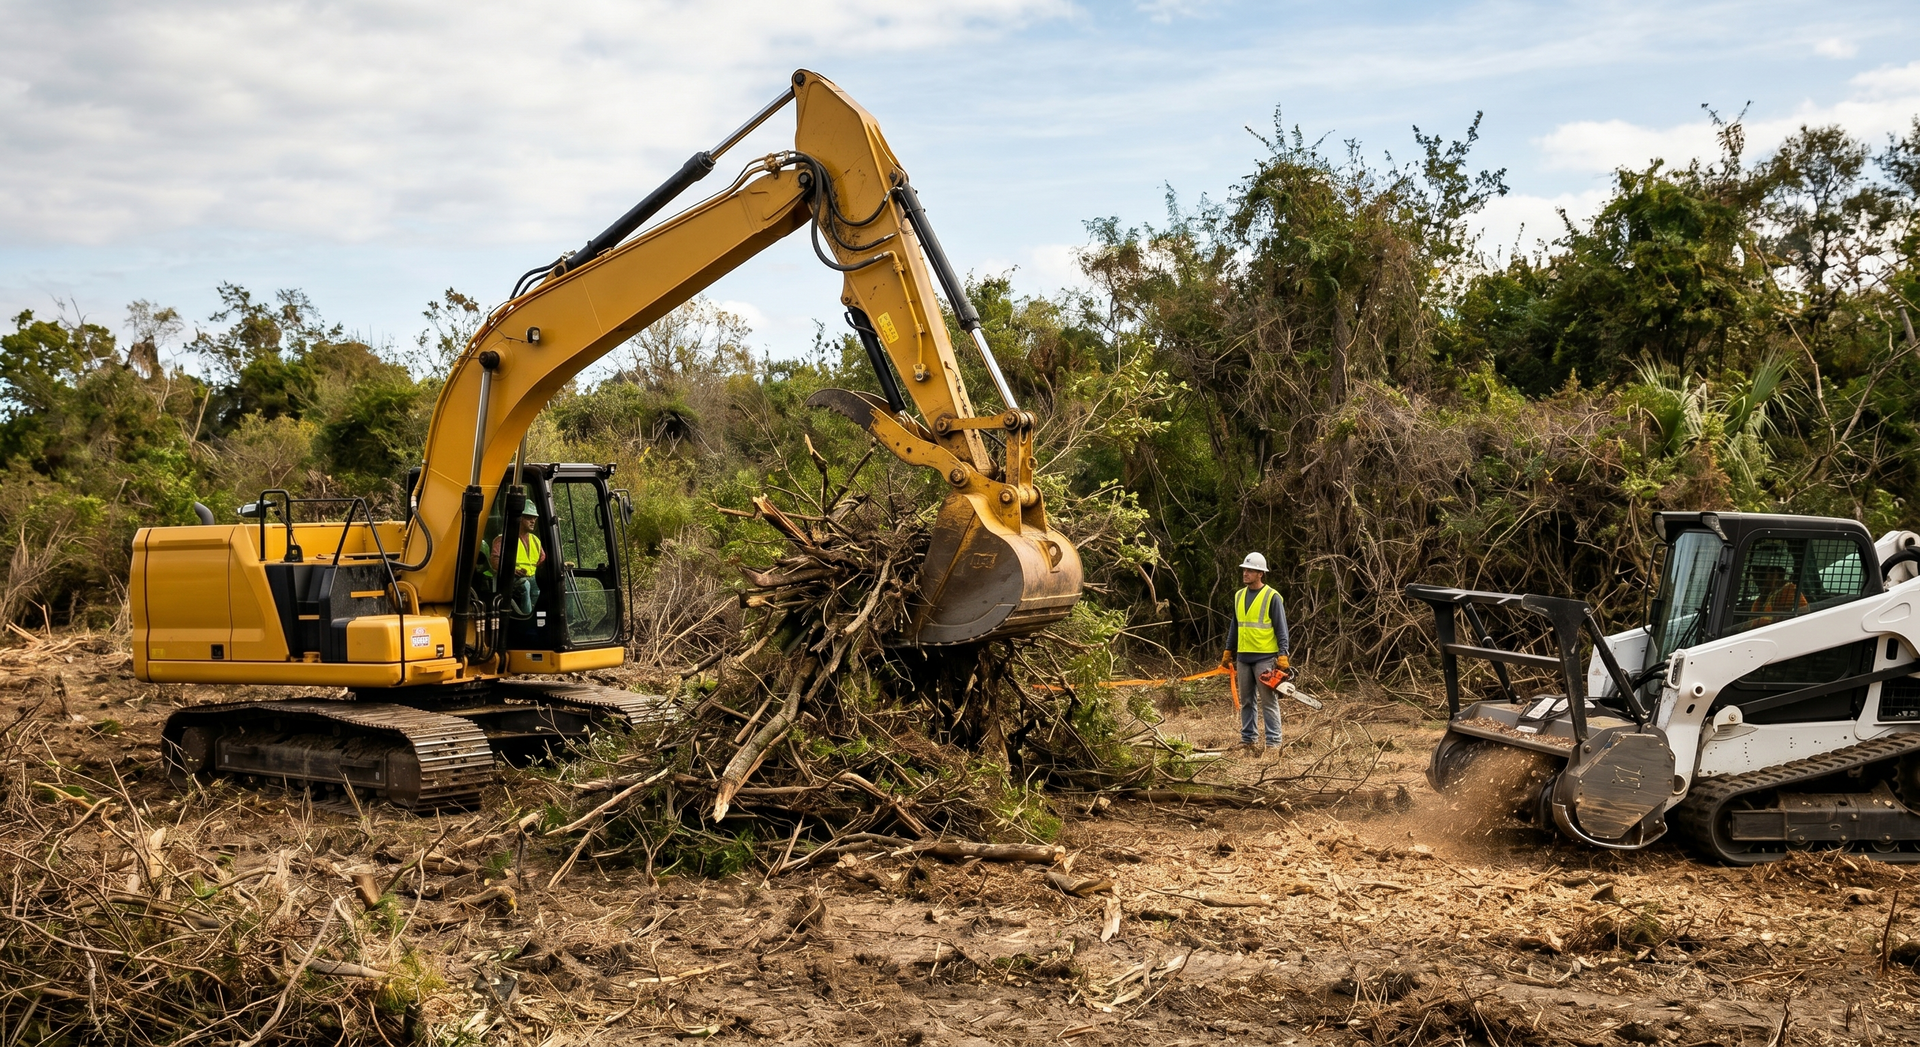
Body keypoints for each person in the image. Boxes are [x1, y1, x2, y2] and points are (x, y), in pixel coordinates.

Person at [1222, 551, 1290, 750]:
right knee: (1246, 702)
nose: (1245, 573)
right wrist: (1228, 650)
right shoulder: (1239, 596)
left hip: (1265, 658)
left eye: (1250, 570)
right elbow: (1235, 626)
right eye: (1245, 569)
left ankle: (1274, 744)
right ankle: (1248, 740)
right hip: (1243, 657)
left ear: (1261, 573)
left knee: (1268, 702)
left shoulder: (1272, 596)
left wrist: (1283, 655)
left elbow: (1281, 628)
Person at [490, 500, 546, 617]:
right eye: (529, 517)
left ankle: (540, 617)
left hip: (533, 577)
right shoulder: (503, 539)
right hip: (512, 580)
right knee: (525, 585)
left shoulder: (535, 540)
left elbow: (543, 561)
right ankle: (526, 618)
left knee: (558, 581)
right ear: (519, 518)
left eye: (534, 518)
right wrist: (512, 571)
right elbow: (495, 561)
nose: (533, 521)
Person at [1747, 561, 1806, 629]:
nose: (1757, 582)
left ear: (1776, 575)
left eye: (1761, 576)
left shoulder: (1788, 591)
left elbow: (1779, 623)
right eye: (1755, 577)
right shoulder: (1762, 599)